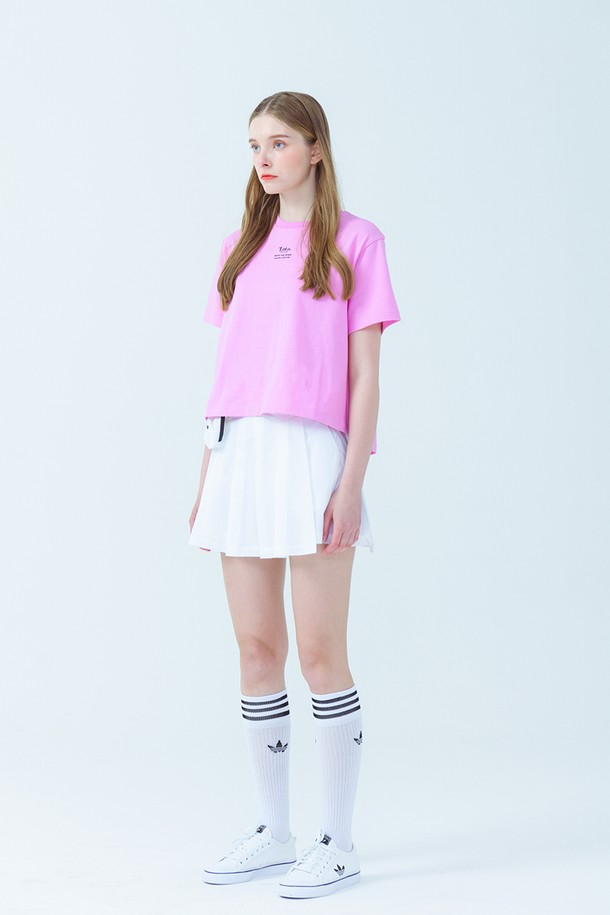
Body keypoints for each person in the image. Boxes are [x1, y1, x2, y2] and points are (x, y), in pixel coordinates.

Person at [187, 91, 401, 899]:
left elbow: (366, 375)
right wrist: (207, 480)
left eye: (278, 142)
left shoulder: (356, 241)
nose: (264, 159)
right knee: (255, 648)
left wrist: (352, 479)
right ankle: (274, 832)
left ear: (316, 148)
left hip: (313, 455)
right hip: (238, 454)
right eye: (254, 146)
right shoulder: (237, 248)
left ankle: (337, 842)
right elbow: (226, 375)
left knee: (319, 653)